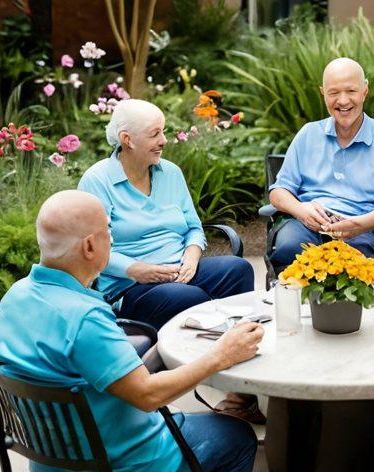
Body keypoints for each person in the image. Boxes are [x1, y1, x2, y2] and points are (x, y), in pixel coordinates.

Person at [0, 190, 265, 472]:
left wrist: (165, 347)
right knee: (233, 437)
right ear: (89, 246)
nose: (112, 238)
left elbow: (106, 370)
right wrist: (222, 355)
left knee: (203, 432)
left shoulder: (17, 298)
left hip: (51, 466)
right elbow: (148, 396)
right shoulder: (84, 318)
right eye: (107, 230)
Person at [78, 99, 254, 332]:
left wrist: (191, 257)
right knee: (188, 297)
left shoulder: (170, 172)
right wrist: (139, 270)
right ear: (126, 139)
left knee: (238, 270)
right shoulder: (97, 181)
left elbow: (193, 228)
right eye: (154, 134)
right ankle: (194, 359)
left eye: (163, 132)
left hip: (180, 271)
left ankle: (235, 342)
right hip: (131, 286)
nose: (163, 140)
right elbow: (91, 252)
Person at [269, 57, 374, 272]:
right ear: (323, 93)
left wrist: (360, 224)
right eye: (334, 92)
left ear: (365, 90)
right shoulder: (308, 134)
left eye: (351, 91)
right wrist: (300, 210)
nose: (343, 101)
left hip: (366, 230)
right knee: (289, 249)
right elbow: (278, 193)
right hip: (308, 225)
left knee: (349, 263)